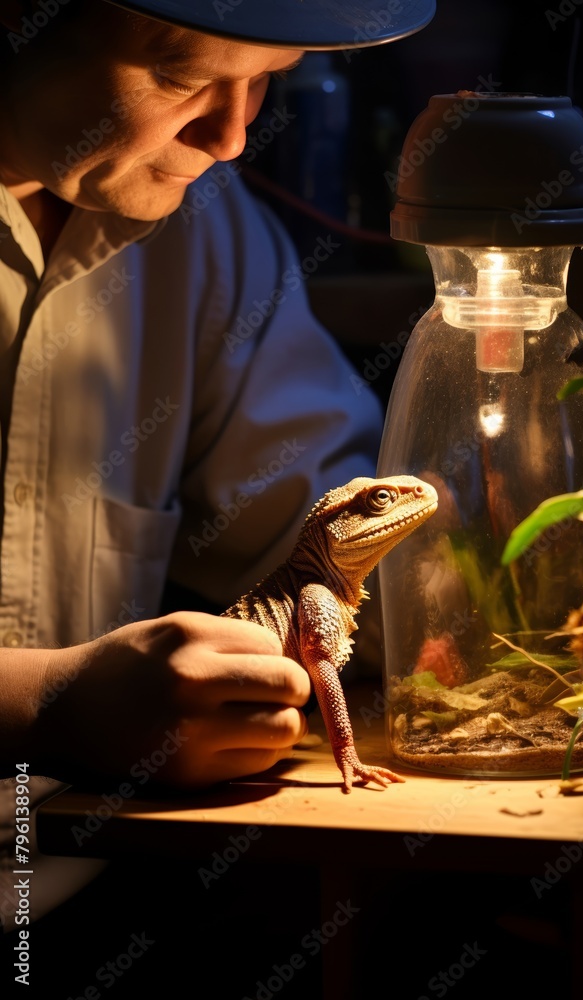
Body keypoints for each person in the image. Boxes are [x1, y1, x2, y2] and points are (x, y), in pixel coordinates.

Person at [0, 0, 436, 967]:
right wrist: (39, 701)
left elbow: (315, 520)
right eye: (184, 74)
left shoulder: (203, 230)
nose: (233, 134)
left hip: (95, 880)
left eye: (268, 75)